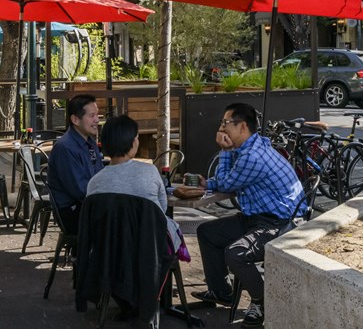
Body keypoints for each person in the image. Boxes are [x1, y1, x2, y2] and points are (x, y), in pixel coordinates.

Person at [192, 103, 305, 328]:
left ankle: (262, 302)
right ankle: (221, 292)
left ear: (242, 126)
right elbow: (233, 180)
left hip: (280, 223)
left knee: (236, 254)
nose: (221, 128)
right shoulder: (255, 146)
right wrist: (208, 183)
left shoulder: (251, 156)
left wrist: (224, 152)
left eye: (226, 123)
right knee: (207, 232)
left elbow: (227, 182)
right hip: (258, 217)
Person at [86, 114, 183, 252]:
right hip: (150, 250)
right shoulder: (150, 172)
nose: (138, 141)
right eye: (137, 137)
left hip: (109, 253)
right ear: (131, 142)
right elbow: (161, 208)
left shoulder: (94, 182)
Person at [47, 94, 104, 233]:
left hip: (89, 205)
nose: (97, 120)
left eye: (97, 115)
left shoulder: (89, 142)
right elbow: (80, 190)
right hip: (72, 212)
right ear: (75, 119)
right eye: (92, 116)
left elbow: (100, 175)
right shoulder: (65, 148)